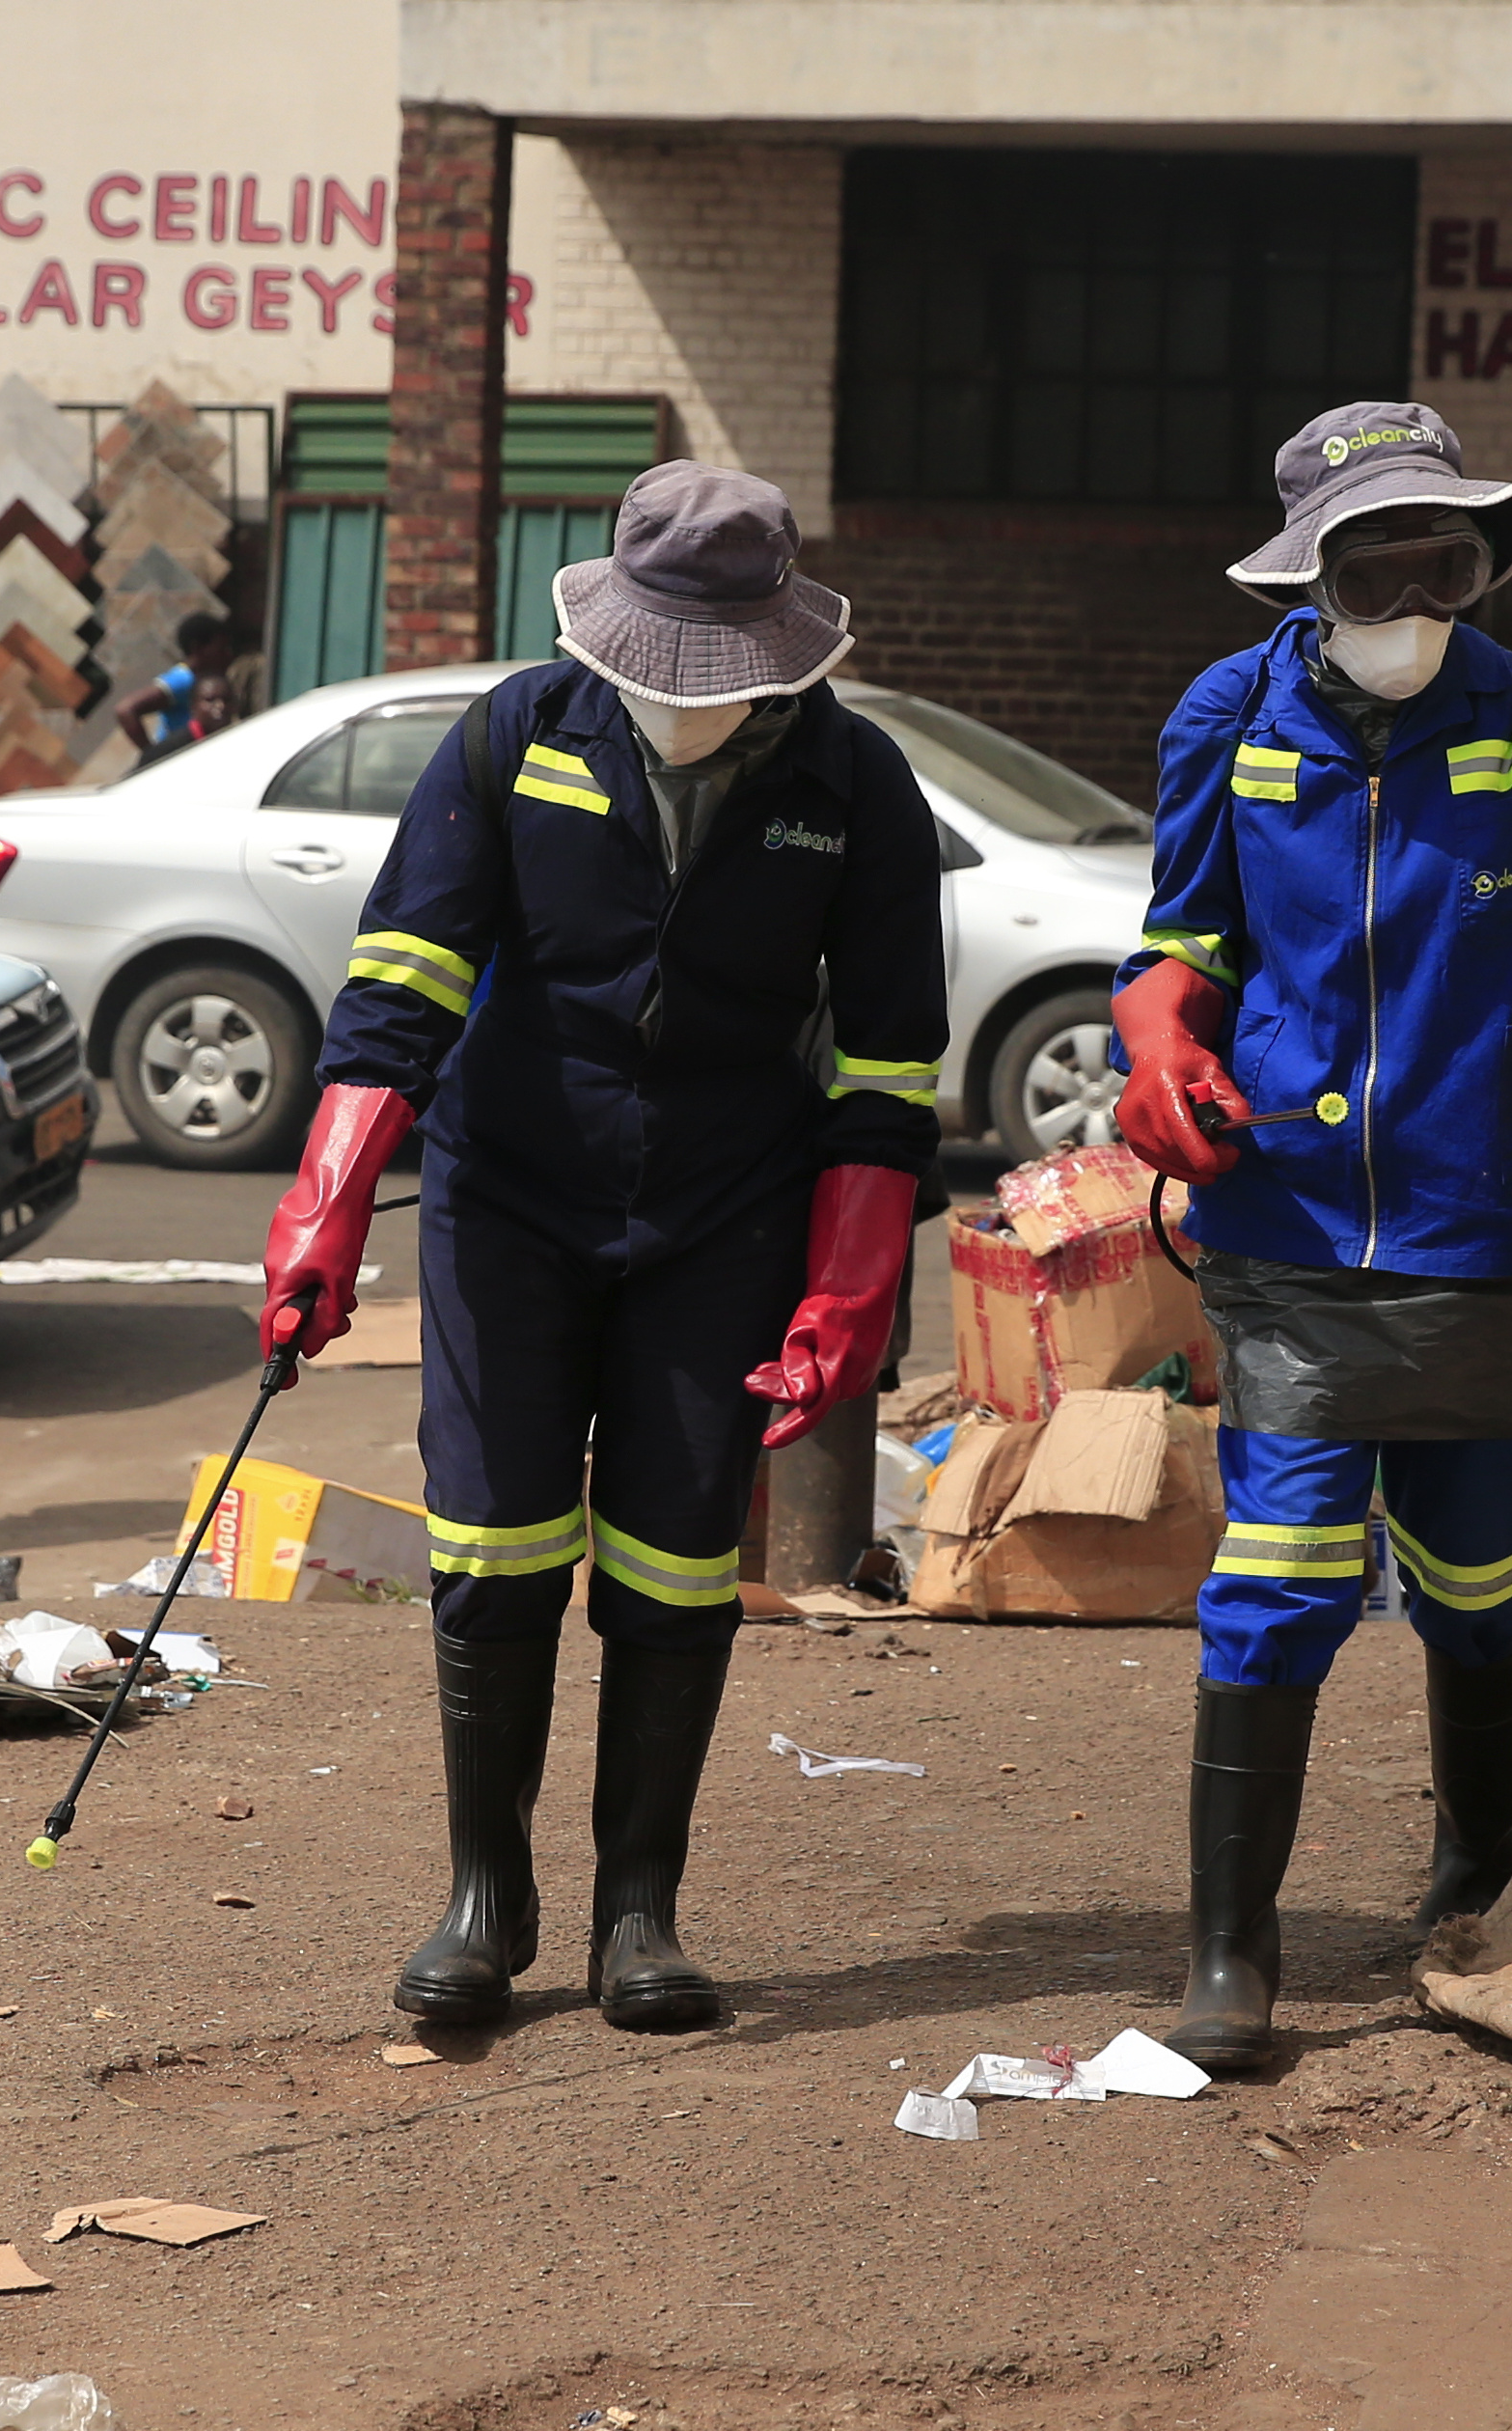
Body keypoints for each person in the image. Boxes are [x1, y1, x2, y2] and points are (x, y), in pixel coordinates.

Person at [256, 463, 948, 2031]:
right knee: (492, 1543)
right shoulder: (518, 731)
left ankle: (641, 1905)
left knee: (674, 1555)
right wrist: (329, 1201)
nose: (678, 698)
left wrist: (852, 1281)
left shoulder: (855, 785)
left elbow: (892, 1065)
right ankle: (483, 1900)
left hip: (726, 1210)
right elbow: (404, 977)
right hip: (510, 1193)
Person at [1112, 402, 1512, 2073]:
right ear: (1312, 573)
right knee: (1277, 1582)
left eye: (1444, 557)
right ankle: (1232, 1949)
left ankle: (1475, 1881)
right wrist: (1163, 1050)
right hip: (1289, 1229)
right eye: (1380, 563)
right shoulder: (1229, 716)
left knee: (1482, 1588)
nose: (1415, 595)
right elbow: (1182, 944)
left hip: (1493, 1236)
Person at [110, 611, 238, 766]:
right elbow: (125, 710)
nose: (228, 655)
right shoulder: (183, 679)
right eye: (221, 648)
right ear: (197, 648)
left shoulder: (205, 680)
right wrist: (154, 755)